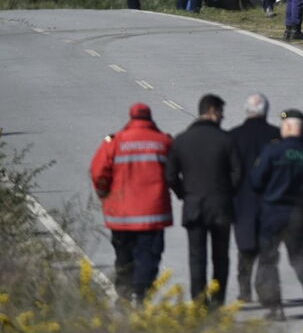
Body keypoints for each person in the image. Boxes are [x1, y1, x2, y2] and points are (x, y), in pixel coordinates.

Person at [89, 103, 172, 303]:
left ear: (131, 118)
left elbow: (98, 172)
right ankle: (141, 294)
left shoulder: (115, 142)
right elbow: (174, 171)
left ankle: (124, 294)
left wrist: (104, 194)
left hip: (122, 216)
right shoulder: (164, 142)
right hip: (152, 215)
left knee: (124, 257)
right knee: (149, 257)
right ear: (150, 118)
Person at [166, 94, 241, 306]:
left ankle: (198, 302)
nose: (222, 117)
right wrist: (227, 193)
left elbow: (170, 175)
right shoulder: (226, 140)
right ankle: (218, 301)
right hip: (221, 207)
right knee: (220, 258)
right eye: (221, 112)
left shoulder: (181, 140)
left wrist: (184, 193)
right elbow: (238, 174)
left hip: (194, 206)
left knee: (196, 258)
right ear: (212, 111)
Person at [251, 109, 303, 320]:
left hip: (273, 212)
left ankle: (275, 307)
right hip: (299, 212)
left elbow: (256, 181)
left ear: (287, 126)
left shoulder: (273, 151)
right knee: (299, 257)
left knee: (269, 260)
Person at [229, 94, 279, 303]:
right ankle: (264, 287)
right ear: (266, 111)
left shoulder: (233, 136)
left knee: (245, 248)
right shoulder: (276, 135)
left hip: (242, 201)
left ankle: (244, 289)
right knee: (268, 250)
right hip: (271, 200)